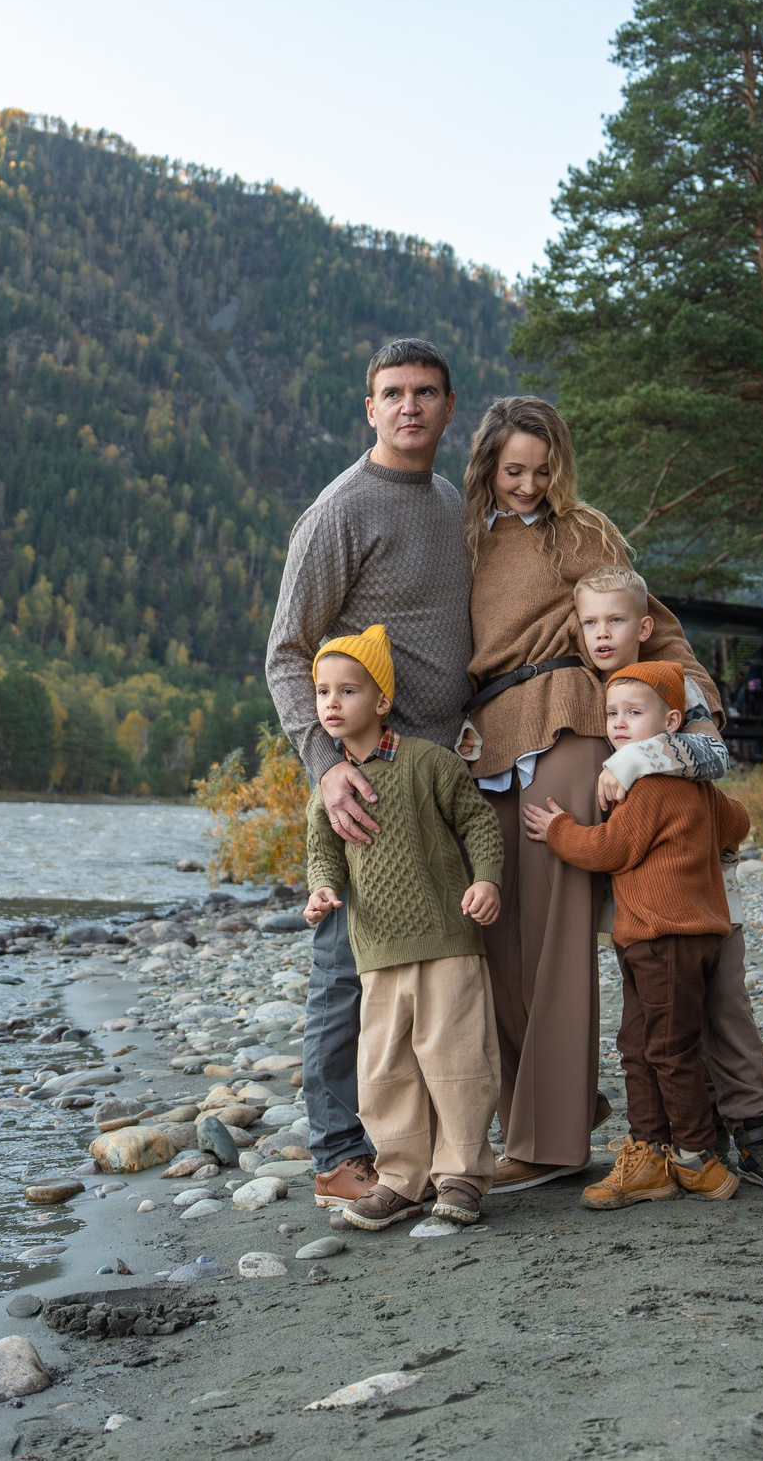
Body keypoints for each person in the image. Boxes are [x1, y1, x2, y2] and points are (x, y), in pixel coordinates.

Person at [462, 396, 735, 1193]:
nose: (530, 485)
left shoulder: (584, 531)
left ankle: (547, 1144)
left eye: (545, 470)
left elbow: (653, 626)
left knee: (553, 946)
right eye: (514, 470)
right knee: (499, 944)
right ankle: (557, 1112)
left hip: (569, 723)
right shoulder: (460, 537)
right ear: (486, 464)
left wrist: (696, 716)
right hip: (485, 741)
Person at [265, 338, 473, 1211]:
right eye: (392, 393)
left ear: (448, 407)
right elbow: (285, 655)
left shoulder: (451, 501)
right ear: (370, 408)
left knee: (427, 969)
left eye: (425, 392)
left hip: (437, 778)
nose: (410, 407)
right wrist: (324, 768)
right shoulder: (340, 510)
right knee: (345, 971)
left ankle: (415, 1152)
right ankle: (335, 1153)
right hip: (364, 780)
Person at [565, 564, 763, 1194]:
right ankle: (676, 1142)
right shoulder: (566, 681)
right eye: (590, 621)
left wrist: (636, 759)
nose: (602, 633)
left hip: (690, 896)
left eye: (615, 620)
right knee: (654, 1028)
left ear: (642, 626)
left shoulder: (673, 677)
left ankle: (748, 1136)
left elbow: (714, 760)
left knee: (721, 1012)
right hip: (636, 903)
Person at [300, 626, 505, 1231]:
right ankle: (400, 1178)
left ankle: (463, 1174)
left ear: (382, 701)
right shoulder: (327, 791)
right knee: (385, 1068)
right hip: (377, 953)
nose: (331, 704)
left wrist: (487, 880)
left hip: (447, 942)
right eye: (321, 692)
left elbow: (478, 824)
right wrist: (321, 892)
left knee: (456, 1058)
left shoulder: (428, 762)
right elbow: (323, 855)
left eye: (347, 691)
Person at [524, 660, 748, 1209]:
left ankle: (697, 1158)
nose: (619, 723)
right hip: (676, 937)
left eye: (634, 713)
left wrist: (559, 830)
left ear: (671, 722)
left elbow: (609, 850)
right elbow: (737, 820)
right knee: (640, 1045)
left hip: (663, 937)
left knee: (667, 1049)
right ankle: (648, 1148)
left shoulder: (647, 785)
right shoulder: (692, 784)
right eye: (612, 713)